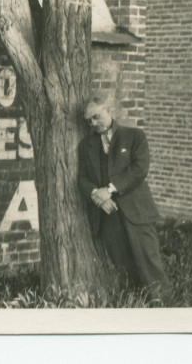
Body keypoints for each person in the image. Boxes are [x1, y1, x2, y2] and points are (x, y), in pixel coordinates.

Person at [77, 96, 169, 303]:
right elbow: (82, 178)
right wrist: (96, 196)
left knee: (149, 264)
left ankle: (164, 312)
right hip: (109, 218)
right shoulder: (86, 145)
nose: (92, 123)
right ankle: (135, 310)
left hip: (137, 213)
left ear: (108, 110)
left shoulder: (134, 136)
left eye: (96, 117)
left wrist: (109, 190)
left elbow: (139, 170)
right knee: (123, 268)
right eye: (88, 120)